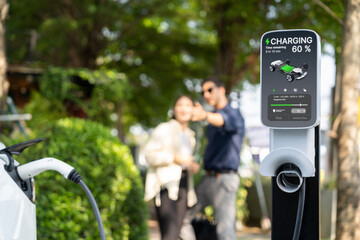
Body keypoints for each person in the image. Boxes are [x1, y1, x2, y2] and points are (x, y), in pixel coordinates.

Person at [180, 76, 245, 240]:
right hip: (207, 179)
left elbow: (222, 120)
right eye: (203, 92)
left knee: (225, 233)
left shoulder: (233, 114)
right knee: (182, 219)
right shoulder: (211, 118)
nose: (206, 94)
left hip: (224, 180)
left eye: (210, 90)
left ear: (221, 90)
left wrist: (205, 115)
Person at [144, 95, 200, 240]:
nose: (184, 109)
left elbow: (185, 162)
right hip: (166, 186)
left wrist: (191, 166)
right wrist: (174, 158)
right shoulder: (164, 129)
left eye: (188, 105)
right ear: (174, 109)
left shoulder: (190, 135)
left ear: (193, 110)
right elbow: (149, 155)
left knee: (176, 234)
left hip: (183, 186)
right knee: (170, 234)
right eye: (180, 105)